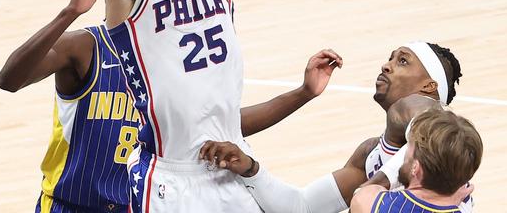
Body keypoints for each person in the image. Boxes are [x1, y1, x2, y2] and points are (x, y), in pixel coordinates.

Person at [0, 0, 343, 213]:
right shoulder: (86, 47)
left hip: (137, 204)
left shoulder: (170, 54)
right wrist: (69, 12)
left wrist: (302, 94)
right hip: (70, 204)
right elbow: (9, 79)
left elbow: (229, 124)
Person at [198, 42, 466, 213]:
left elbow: (428, 131)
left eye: (403, 61)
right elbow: (300, 207)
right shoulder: (370, 153)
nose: (387, 65)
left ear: (429, 87)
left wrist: (370, 190)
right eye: (391, 58)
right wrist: (251, 169)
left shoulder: (433, 122)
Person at [350, 108, 482, 213]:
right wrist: (451, 203)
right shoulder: (464, 205)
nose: (404, 154)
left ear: (416, 167)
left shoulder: (371, 203)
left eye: (408, 147)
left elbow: (364, 193)